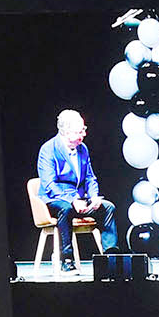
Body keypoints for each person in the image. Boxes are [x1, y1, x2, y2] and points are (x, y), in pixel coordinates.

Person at [33, 110, 108, 268]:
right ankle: (66, 259)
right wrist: (72, 200)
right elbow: (49, 184)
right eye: (79, 131)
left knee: (108, 208)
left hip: (79, 199)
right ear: (66, 132)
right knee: (65, 209)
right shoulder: (48, 149)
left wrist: (94, 196)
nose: (84, 133)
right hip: (55, 200)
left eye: (84, 129)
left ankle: (110, 256)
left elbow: (90, 178)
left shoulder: (83, 149)